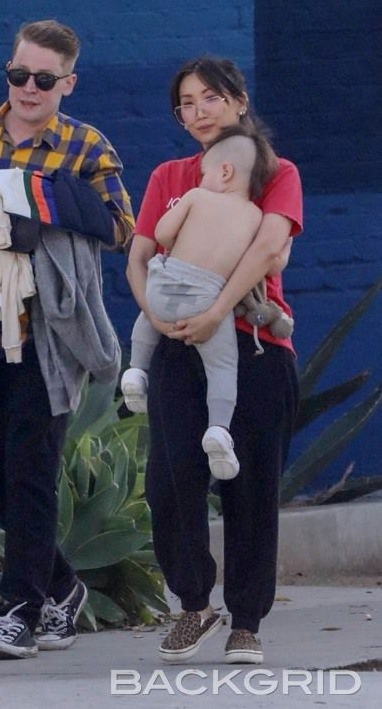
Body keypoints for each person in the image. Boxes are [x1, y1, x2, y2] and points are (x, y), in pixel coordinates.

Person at [0, 19, 134, 659]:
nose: (28, 89)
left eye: (43, 78)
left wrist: (41, 207)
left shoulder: (85, 146)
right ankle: (61, 587)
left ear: (68, 83)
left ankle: (17, 614)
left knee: (31, 474)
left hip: (44, 336)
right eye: (18, 75)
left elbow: (120, 227)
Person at [126, 56, 302, 665]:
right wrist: (154, 315)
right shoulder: (170, 176)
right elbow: (139, 257)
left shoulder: (275, 172)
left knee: (250, 486)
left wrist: (217, 311)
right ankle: (195, 605)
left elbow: (270, 247)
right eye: (186, 103)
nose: (198, 111)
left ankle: (246, 621)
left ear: (239, 101)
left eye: (210, 98)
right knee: (170, 482)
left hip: (252, 346)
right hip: (176, 343)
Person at [121, 127, 279, 480]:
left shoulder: (196, 196)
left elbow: (162, 234)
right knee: (222, 367)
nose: (201, 179)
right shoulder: (255, 217)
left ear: (224, 172)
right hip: (207, 300)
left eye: (205, 173)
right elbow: (269, 262)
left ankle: (135, 370)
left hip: (166, 286)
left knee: (148, 316)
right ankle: (219, 429)